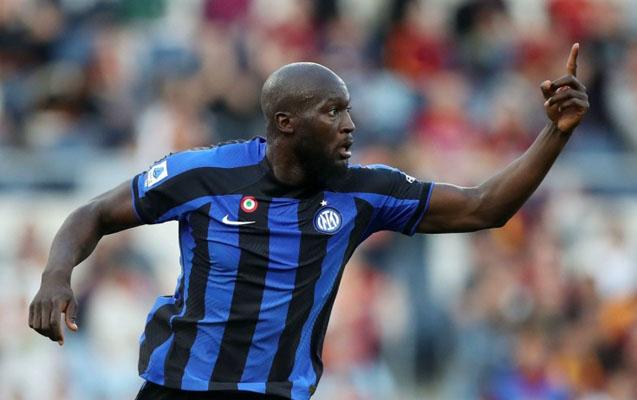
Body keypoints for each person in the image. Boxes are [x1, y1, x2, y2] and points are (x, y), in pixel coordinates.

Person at [28, 44, 589, 400]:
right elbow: (93, 213)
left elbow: (484, 206)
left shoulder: (363, 191)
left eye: (348, 109)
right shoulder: (205, 174)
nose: (350, 124)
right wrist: (56, 276)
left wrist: (555, 133)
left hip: (276, 393)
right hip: (179, 388)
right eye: (333, 110)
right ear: (286, 122)